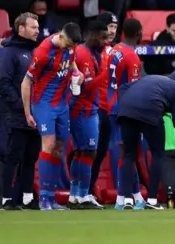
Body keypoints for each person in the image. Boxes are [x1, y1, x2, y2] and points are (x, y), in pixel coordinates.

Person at [21, 22, 82, 210]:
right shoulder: (42, 52)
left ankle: (51, 197)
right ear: (61, 36)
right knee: (48, 146)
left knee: (58, 148)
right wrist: (27, 112)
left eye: (73, 46)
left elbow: (71, 62)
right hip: (43, 104)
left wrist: (77, 72)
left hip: (62, 104)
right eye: (69, 44)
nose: (71, 48)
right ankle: (43, 199)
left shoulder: (70, 47)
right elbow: (26, 82)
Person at [117, 71, 175, 210]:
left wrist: (125, 106)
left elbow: (123, 87)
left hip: (126, 110)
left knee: (129, 155)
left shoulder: (151, 79)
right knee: (158, 154)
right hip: (151, 109)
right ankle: (152, 201)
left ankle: (127, 200)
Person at [0, 13, 40, 210]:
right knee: (13, 156)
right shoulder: (10, 52)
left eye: (38, 27)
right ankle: (7, 199)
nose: (37, 31)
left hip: (36, 114)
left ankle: (27, 198)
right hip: (17, 114)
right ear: (21, 29)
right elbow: (3, 83)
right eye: (33, 27)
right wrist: (21, 107)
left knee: (31, 157)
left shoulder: (36, 51)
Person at [67, 21, 109, 209]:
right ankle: (83, 196)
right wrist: (106, 73)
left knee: (81, 152)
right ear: (91, 35)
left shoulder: (91, 53)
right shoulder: (82, 54)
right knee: (89, 152)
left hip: (88, 107)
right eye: (102, 38)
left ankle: (75, 196)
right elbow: (83, 86)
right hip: (83, 108)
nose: (105, 42)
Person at [108, 18, 144, 210]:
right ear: (138, 32)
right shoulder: (132, 56)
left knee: (126, 151)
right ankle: (123, 197)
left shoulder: (113, 50)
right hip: (125, 109)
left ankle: (136, 196)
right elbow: (133, 89)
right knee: (127, 153)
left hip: (110, 106)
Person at [89, 12, 118, 198]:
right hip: (93, 108)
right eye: (110, 27)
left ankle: (88, 191)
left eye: (115, 27)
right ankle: (81, 192)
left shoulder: (115, 51)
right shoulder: (93, 51)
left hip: (109, 109)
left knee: (100, 153)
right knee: (87, 151)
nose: (113, 31)